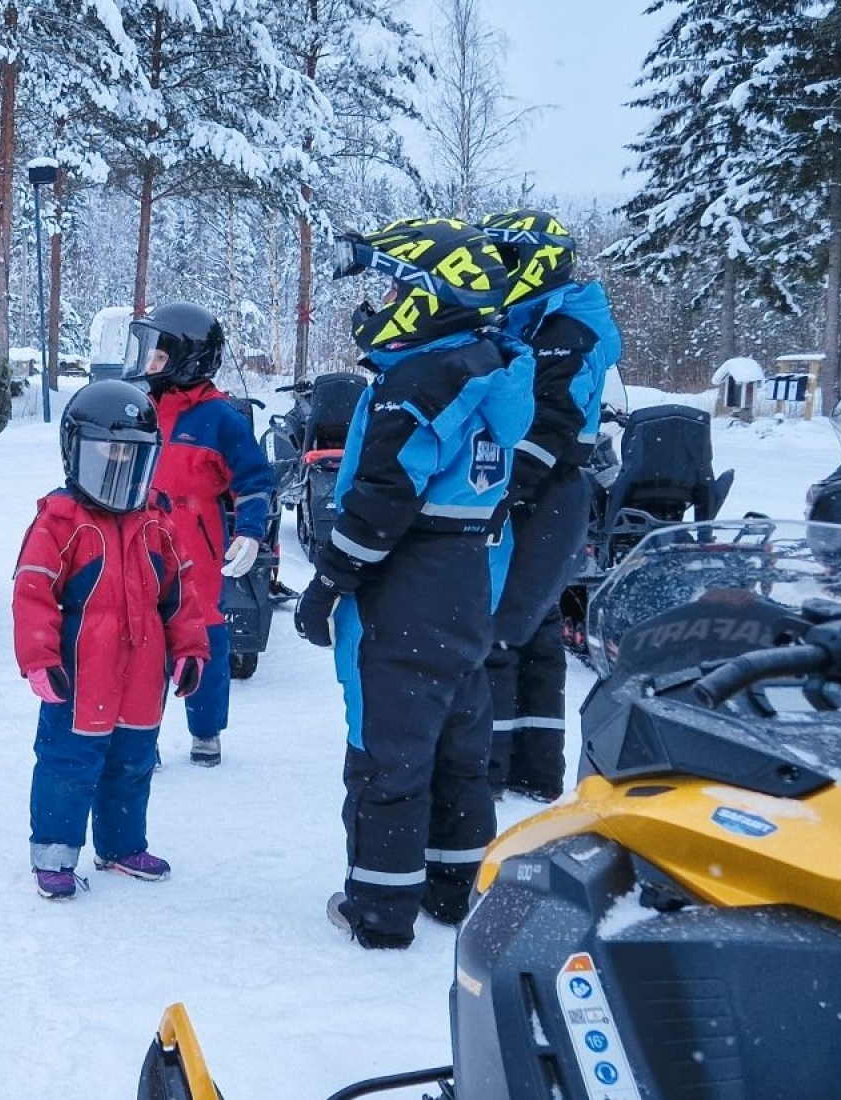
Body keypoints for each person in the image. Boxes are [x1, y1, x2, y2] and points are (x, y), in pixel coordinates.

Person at [292, 218, 534, 950]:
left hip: (405, 578)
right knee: (460, 738)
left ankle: (380, 908)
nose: (381, 300)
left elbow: (381, 497)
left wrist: (327, 584)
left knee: (386, 747)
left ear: (431, 294)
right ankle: (456, 886)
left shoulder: (419, 379)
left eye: (394, 286)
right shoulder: (493, 365)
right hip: (463, 573)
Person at [13, 380, 210, 900]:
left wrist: (190, 650)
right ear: (77, 453)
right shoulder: (62, 520)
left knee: (132, 760)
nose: (120, 466)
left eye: (132, 456)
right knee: (69, 761)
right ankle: (54, 854)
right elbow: (32, 590)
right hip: (81, 669)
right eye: (108, 454)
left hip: (144, 668)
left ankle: (120, 846)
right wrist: (39, 657)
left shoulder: (156, 520)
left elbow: (181, 592)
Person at [478, 209, 623, 802]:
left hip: (545, 490)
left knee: (501, 628)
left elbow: (554, 424)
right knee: (534, 628)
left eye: (503, 259)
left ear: (534, 260)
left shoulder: (565, 330)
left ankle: (487, 768)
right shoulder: (538, 321)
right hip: (544, 491)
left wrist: (507, 491)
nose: (493, 271)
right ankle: (534, 771)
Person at [124, 301, 275, 767]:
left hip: (199, 548)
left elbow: (254, 481)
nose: (149, 365)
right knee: (143, 645)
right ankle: (140, 735)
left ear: (187, 359)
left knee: (202, 638)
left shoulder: (220, 418)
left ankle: (206, 730)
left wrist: (250, 533)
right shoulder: (141, 408)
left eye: (158, 356)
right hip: (143, 541)